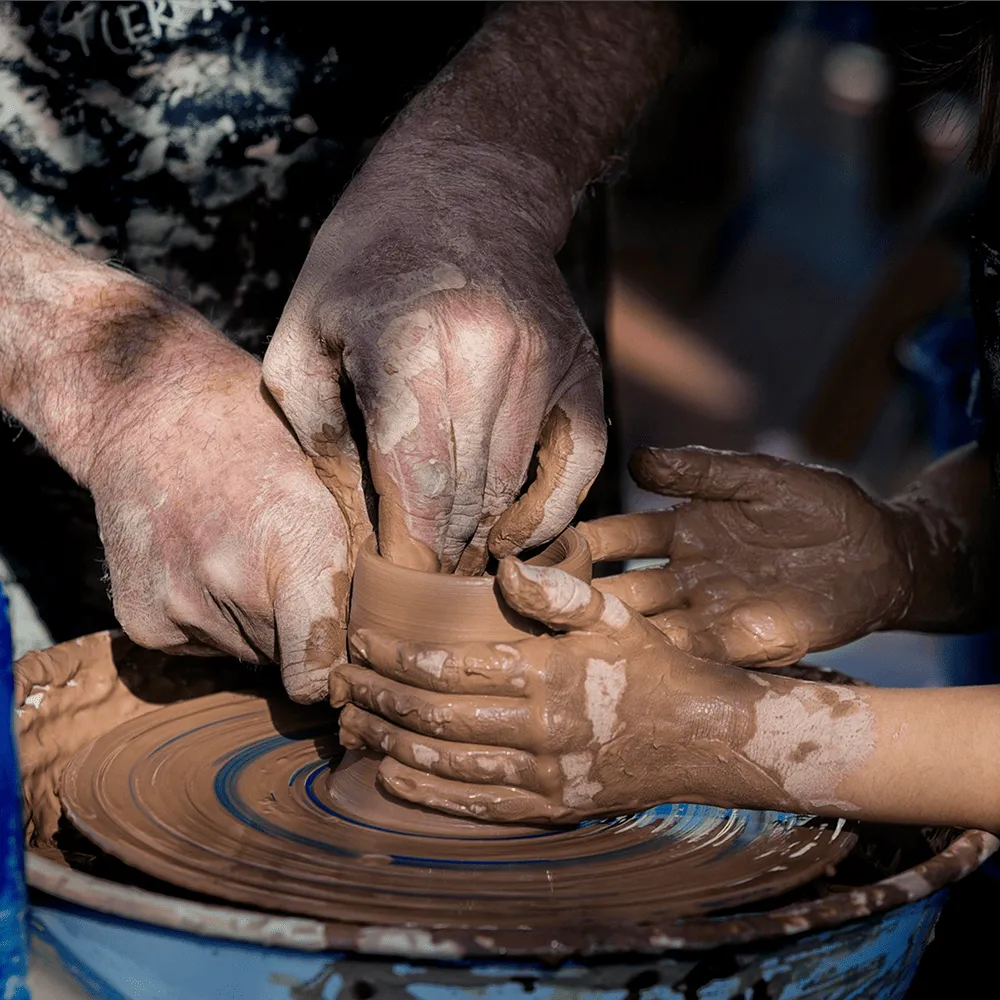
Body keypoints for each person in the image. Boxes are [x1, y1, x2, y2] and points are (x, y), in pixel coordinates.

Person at [0, 1, 682, 701]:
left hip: (490, 275)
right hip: (38, 348)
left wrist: (498, 159)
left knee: (553, 666)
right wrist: (95, 379)